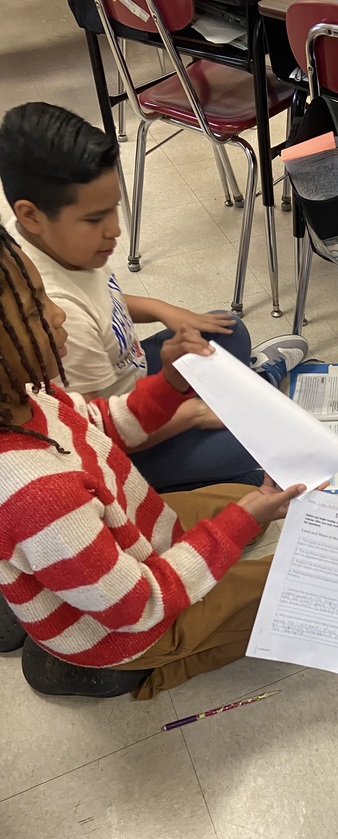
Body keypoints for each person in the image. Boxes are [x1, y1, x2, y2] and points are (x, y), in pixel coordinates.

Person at [0, 222, 309, 698]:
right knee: (302, 598)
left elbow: (101, 420)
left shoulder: (30, 394)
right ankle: (133, 670)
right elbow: (138, 606)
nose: (56, 315)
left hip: (131, 536)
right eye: (33, 309)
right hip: (128, 627)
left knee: (248, 508)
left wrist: (170, 382)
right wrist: (236, 525)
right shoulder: (38, 496)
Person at [0, 102, 309, 493]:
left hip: (133, 378)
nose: (114, 230)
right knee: (252, 445)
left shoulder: (51, 237)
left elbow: (104, 301)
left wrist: (166, 311)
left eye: (112, 209)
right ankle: (211, 461)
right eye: (95, 220)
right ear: (31, 216)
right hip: (127, 443)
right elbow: (103, 437)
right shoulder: (63, 320)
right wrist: (192, 414)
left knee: (227, 328)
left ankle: (236, 405)